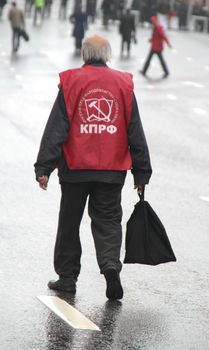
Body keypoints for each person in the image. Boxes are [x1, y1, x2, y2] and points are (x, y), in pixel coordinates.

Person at [34, 35, 152, 299]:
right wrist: (141, 172)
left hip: (76, 168)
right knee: (108, 220)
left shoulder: (72, 81)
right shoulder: (123, 83)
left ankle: (67, 278)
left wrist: (44, 166)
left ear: (85, 54)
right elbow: (135, 130)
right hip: (112, 170)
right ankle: (110, 265)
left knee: (69, 223)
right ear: (108, 54)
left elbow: (57, 127)